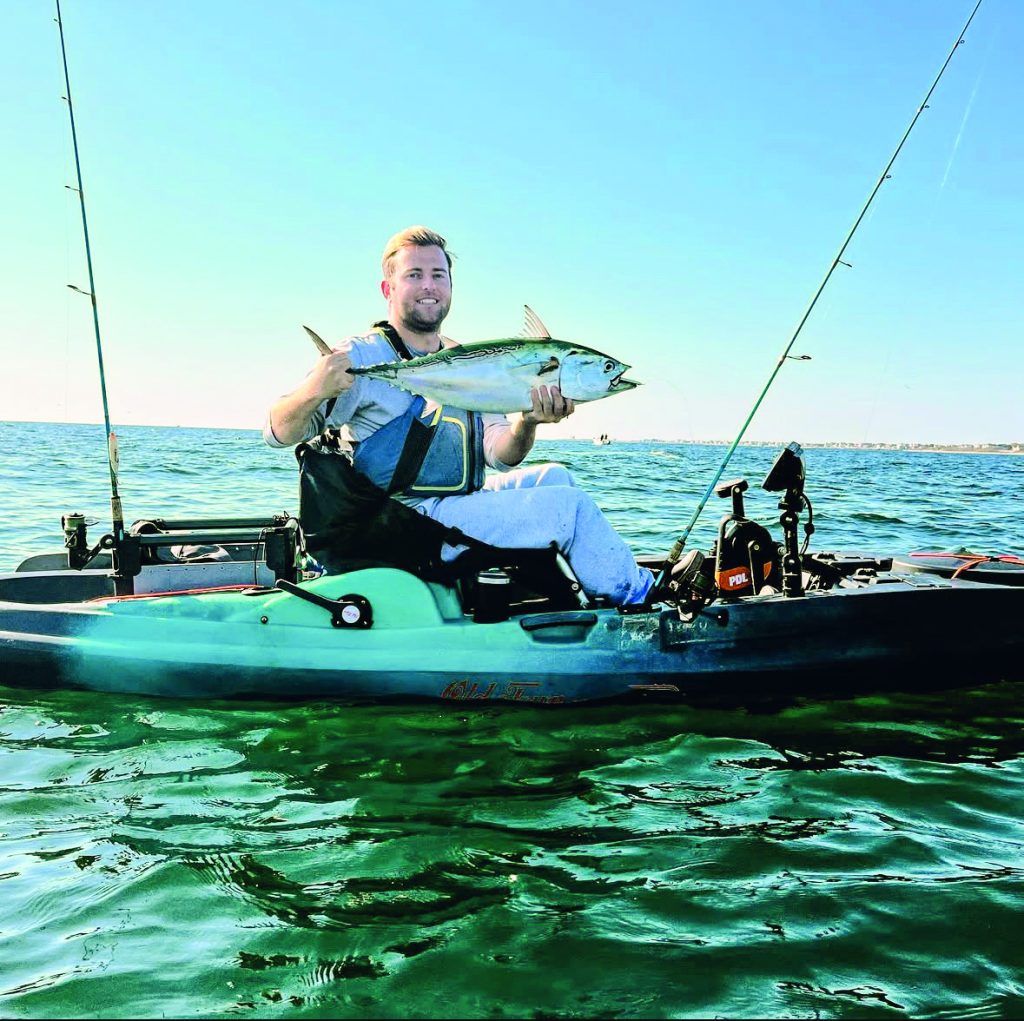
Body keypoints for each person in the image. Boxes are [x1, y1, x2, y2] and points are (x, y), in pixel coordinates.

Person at [265, 225, 656, 606]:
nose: (428, 286)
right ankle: (643, 598)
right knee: (571, 509)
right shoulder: (363, 356)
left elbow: (500, 455)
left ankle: (578, 592)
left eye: (438, 274)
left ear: (451, 286)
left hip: (452, 506)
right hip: (404, 522)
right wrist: (314, 388)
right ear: (389, 289)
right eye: (414, 275)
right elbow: (276, 433)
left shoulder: (467, 361)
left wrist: (529, 421)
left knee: (557, 477)